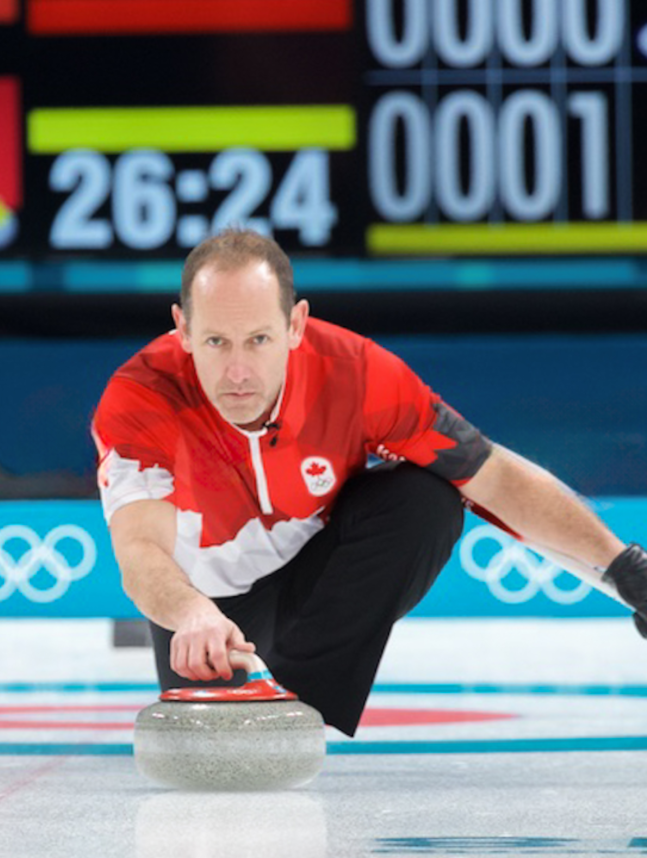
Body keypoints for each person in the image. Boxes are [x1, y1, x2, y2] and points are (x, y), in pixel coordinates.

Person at [91, 229, 647, 737]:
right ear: (182, 330)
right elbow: (139, 549)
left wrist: (626, 571)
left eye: (258, 339)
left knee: (427, 498)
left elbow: (492, 476)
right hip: (204, 610)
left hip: (314, 584)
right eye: (216, 342)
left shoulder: (356, 375)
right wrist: (192, 614)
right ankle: (236, 678)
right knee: (211, 759)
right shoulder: (141, 398)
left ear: (296, 325)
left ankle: (298, 697)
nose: (238, 372)